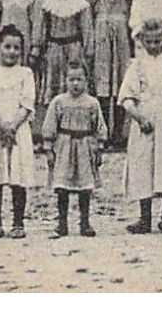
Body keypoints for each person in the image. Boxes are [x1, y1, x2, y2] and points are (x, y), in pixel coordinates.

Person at [118, 17, 162, 234]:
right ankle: (144, 217)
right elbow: (127, 97)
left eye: (157, 41)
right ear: (141, 41)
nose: (153, 46)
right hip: (145, 121)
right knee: (143, 165)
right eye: (148, 42)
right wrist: (139, 117)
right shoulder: (137, 66)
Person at [0, 25, 38, 239]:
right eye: (7, 47)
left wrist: (13, 126)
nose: (12, 52)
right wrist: (3, 126)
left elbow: (28, 103)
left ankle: (18, 223)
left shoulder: (26, 73)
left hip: (19, 130)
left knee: (18, 176)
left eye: (17, 48)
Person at [43, 61, 106, 237]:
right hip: (64, 146)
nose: (75, 84)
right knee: (62, 187)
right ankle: (62, 223)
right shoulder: (58, 102)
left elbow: (99, 127)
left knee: (85, 187)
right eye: (71, 79)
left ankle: (85, 223)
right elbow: (50, 126)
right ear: (65, 80)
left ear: (87, 80)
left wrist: (99, 148)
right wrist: (49, 149)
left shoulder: (92, 103)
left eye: (79, 79)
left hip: (85, 147)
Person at [32, 0, 92, 141]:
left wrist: (88, 51)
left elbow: (87, 29)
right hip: (53, 50)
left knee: (74, 86)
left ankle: (76, 128)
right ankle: (50, 131)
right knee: (52, 88)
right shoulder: (49, 5)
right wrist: (37, 48)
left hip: (74, 49)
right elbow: (41, 29)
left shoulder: (81, 5)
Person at [84, 0, 133, 145]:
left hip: (122, 35)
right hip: (101, 34)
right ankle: (103, 132)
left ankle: (118, 134)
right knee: (103, 83)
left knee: (122, 82)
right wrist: (90, 41)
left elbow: (133, 12)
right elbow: (87, 15)